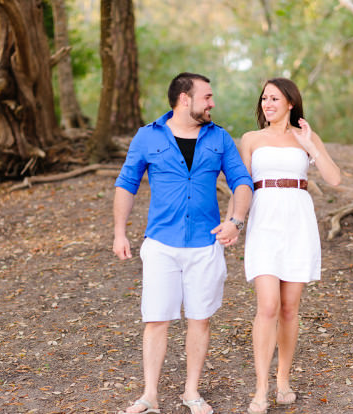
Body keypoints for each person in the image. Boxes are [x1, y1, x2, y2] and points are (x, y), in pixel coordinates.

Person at [112, 72, 254, 414]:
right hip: (161, 243)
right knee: (156, 319)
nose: (212, 103)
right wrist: (119, 231)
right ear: (184, 99)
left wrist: (235, 221)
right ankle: (149, 396)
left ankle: (191, 392)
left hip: (205, 245)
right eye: (207, 96)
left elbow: (242, 182)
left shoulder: (219, 138)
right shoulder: (148, 136)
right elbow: (126, 184)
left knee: (200, 319)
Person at [238, 78, 341, 414]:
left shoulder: (305, 138)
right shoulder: (251, 139)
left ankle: (283, 380)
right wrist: (234, 222)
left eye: (274, 98)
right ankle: (260, 388)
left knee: (289, 308)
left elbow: (334, 178)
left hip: (298, 222)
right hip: (265, 222)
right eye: (264, 98)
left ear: (291, 103)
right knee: (267, 306)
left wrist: (310, 145)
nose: (267, 104)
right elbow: (242, 186)